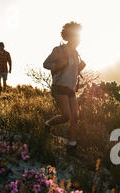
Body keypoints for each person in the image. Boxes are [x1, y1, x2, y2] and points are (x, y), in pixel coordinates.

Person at [43, 21, 86, 157]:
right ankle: (48, 124)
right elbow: (46, 64)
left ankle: (72, 147)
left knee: (75, 118)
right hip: (59, 87)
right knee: (66, 116)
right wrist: (59, 64)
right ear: (68, 36)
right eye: (75, 36)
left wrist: (80, 67)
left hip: (70, 89)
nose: (78, 40)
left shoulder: (76, 53)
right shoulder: (59, 50)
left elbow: (71, 70)